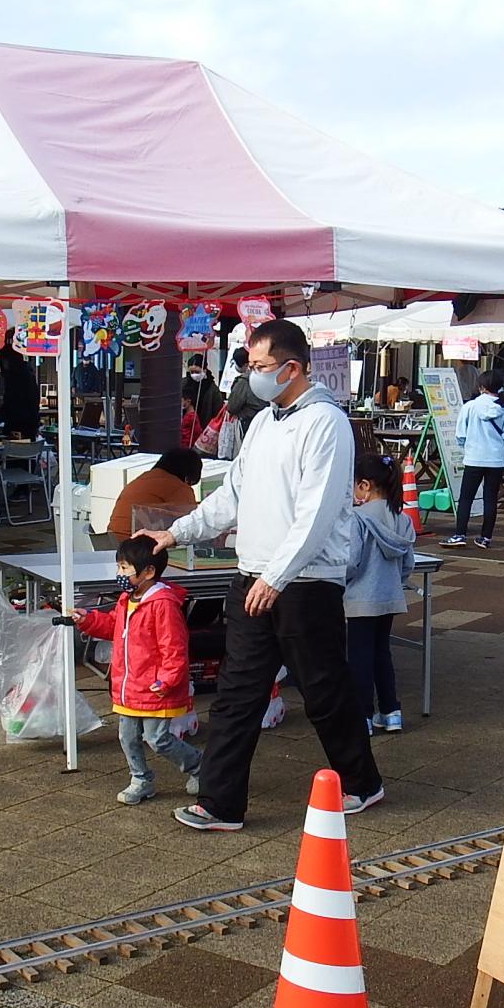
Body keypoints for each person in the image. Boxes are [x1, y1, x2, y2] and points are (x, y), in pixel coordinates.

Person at [137, 319, 386, 831]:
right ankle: (220, 803)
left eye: (259, 366)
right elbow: (231, 494)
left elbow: (317, 514)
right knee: (237, 693)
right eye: (250, 366)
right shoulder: (264, 423)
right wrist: (176, 533)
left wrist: (276, 577)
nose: (252, 376)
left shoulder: (326, 422)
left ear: (292, 368)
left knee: (323, 690)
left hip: (307, 582)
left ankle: (362, 782)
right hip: (253, 575)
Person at [72, 537, 202, 806]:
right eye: (119, 567)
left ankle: (199, 766)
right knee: (128, 737)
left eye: (124, 568)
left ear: (149, 571)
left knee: (158, 739)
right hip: (129, 687)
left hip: (154, 688)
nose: (119, 574)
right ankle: (140, 779)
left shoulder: (163, 604)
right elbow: (113, 626)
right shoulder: (126, 600)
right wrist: (88, 620)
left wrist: (167, 679)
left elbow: (174, 647)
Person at [346, 454, 415, 735]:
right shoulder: (402, 519)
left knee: (359, 657)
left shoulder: (357, 518)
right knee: (381, 653)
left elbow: (351, 562)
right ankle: (390, 712)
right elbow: (408, 564)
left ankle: (362, 715)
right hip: (390, 596)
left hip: (359, 598)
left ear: (365, 485)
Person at [442, 370, 504, 549]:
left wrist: (467, 446)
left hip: (474, 458)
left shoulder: (470, 407)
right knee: (490, 499)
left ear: (481, 387)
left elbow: (460, 434)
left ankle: (460, 534)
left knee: (466, 498)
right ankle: (485, 537)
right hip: (496, 460)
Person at [107, 448, 202, 542]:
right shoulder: (179, 487)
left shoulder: (143, 479)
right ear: (187, 478)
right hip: (140, 545)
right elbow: (192, 525)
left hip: (111, 540)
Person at [0, 349, 40, 439]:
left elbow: (13, 398)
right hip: (27, 421)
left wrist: (4, 412)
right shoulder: (26, 372)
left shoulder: (17, 376)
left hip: (20, 421)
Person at [183, 354, 223, 426]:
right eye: (192, 372)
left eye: (197, 372)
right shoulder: (184, 384)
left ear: (204, 370)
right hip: (186, 427)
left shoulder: (212, 389)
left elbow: (218, 411)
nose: (194, 374)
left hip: (205, 427)